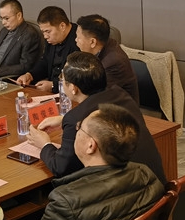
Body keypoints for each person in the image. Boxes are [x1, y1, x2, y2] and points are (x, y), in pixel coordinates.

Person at [17, 104, 164, 220]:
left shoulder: (67, 202)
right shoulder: (146, 175)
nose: (75, 130)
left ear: (90, 146)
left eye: (79, 127)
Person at [26, 51, 166, 183]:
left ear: (73, 88)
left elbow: (61, 167)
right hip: (155, 182)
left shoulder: (75, 118)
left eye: (62, 78)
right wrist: (63, 120)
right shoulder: (120, 94)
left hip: (127, 189)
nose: (61, 81)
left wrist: (44, 144)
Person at [75, 14, 139, 103]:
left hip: (119, 108)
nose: (76, 40)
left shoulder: (113, 62)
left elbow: (98, 96)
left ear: (92, 42)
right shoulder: (103, 44)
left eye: (78, 37)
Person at [17, 6, 80, 93]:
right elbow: (45, 61)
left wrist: (54, 85)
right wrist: (30, 75)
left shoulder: (79, 40)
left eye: (48, 31)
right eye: (43, 32)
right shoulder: (53, 39)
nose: (45, 36)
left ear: (62, 26)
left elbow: (78, 76)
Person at [0, 0, 43, 79]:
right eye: (1, 18)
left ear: (19, 15)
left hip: (1, 78)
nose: (3, 22)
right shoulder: (4, 31)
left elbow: (24, 66)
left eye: (6, 18)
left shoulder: (29, 34)